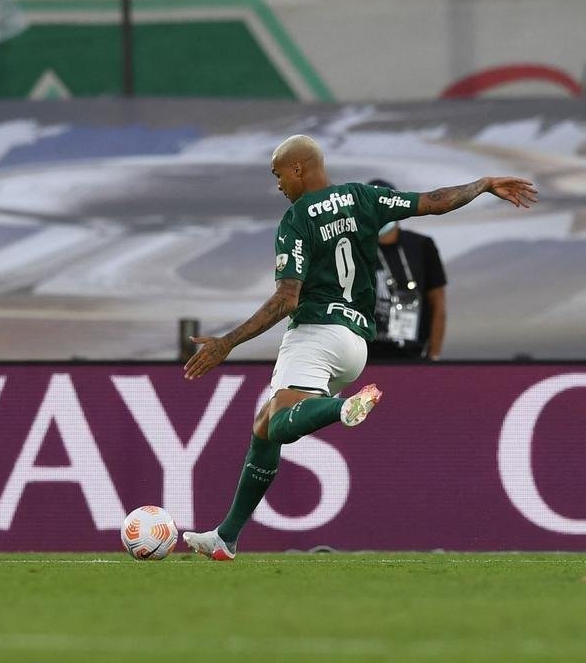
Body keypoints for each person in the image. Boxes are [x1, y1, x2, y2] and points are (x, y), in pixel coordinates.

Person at [180, 135, 537, 560]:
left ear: (298, 168)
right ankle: (227, 537)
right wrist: (482, 184)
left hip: (316, 334)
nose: (278, 185)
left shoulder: (297, 220)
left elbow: (286, 300)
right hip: (356, 343)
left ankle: (342, 408)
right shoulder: (361, 197)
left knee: (276, 424)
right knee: (263, 428)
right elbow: (435, 201)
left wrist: (227, 342)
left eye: (278, 174)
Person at [366, 178, 447, 361]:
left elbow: (438, 302)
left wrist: (434, 356)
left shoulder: (422, 245)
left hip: (413, 356)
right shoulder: (354, 248)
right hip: (364, 357)